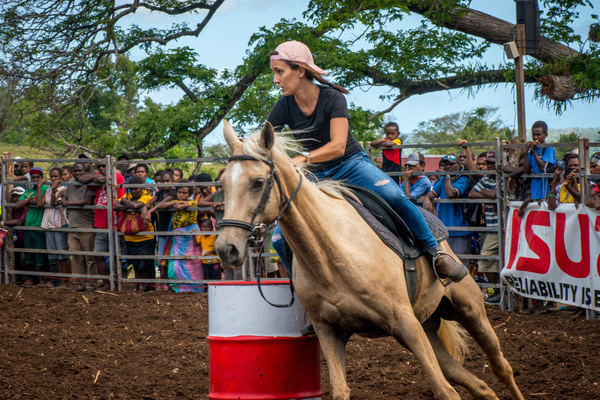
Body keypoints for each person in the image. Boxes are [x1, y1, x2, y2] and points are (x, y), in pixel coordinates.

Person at [266, 40, 467, 283]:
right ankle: (308, 291)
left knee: (395, 198)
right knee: (278, 238)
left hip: (351, 164)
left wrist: (301, 158)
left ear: (300, 70)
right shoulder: (283, 106)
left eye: (279, 72)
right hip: (314, 174)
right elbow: (264, 142)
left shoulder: (332, 98)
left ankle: (437, 254)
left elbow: (338, 145)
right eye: (274, 73)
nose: (275, 79)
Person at [79, 160, 126, 291]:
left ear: (111, 166)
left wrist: (97, 176)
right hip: (100, 223)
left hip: (116, 222)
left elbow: (101, 180)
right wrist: (96, 176)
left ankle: (116, 282)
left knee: (116, 255)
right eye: (99, 166)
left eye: (104, 166)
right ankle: (106, 283)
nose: (101, 168)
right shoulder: (98, 177)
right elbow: (82, 179)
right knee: (98, 255)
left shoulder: (118, 176)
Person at [422, 154, 472, 266]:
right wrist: (427, 198)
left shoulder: (462, 178)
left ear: (459, 165)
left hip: (460, 230)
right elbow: (434, 192)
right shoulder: (444, 179)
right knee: (446, 263)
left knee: (460, 263)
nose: (448, 166)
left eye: (451, 164)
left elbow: (451, 193)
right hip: (444, 230)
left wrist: (447, 176)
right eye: (446, 164)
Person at [160, 180, 204, 293]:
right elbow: (161, 205)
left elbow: (180, 207)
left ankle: (193, 289)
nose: (181, 195)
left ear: (189, 194)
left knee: (191, 264)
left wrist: (174, 204)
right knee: (176, 264)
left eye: (184, 193)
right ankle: (179, 289)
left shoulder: (193, 202)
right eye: (179, 192)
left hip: (189, 239)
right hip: (178, 238)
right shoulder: (175, 201)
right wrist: (172, 203)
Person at [468, 153, 501, 304]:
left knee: (488, 256)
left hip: (503, 226)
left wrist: (489, 195)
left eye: (493, 162)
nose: (490, 165)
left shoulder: (502, 177)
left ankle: (500, 292)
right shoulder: (487, 178)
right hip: (493, 226)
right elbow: (472, 193)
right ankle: (499, 293)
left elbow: (496, 194)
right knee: (490, 259)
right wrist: (490, 196)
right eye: (488, 163)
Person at [114, 176, 155, 292]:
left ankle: (147, 287)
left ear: (141, 187)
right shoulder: (129, 197)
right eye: (131, 189)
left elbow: (136, 206)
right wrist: (129, 204)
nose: (133, 191)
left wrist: (124, 202)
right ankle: (138, 287)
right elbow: (115, 206)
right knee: (135, 263)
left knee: (146, 263)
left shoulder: (147, 196)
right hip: (130, 237)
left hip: (146, 236)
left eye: (136, 189)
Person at [62, 162, 97, 292]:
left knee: (89, 258)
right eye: (75, 171)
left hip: (87, 225)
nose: (78, 173)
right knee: (75, 257)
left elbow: (87, 201)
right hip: (73, 226)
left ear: (85, 171)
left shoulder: (89, 183)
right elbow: (65, 197)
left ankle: (91, 285)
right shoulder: (71, 182)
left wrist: (68, 202)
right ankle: (81, 284)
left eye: (80, 171)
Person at [14, 167, 51, 287]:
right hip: (28, 226)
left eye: (37, 177)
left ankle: (46, 281)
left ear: (42, 178)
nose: (35, 179)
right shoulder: (28, 192)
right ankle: (35, 280)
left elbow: (39, 203)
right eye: (33, 177)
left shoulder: (46, 189)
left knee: (41, 254)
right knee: (30, 255)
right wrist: (29, 199)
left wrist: (38, 190)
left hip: (39, 226)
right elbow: (18, 205)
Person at [141, 170, 177, 286]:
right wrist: (144, 209)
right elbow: (150, 202)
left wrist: (149, 211)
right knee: (162, 256)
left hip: (172, 229)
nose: (165, 183)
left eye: (168, 181)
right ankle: (163, 281)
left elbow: (160, 204)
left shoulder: (174, 193)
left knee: (171, 255)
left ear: (172, 181)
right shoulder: (160, 192)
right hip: (162, 229)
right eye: (162, 181)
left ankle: (170, 282)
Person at [41, 167, 71, 289]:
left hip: (60, 223)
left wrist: (53, 190)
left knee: (62, 255)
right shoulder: (48, 190)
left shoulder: (63, 189)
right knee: (55, 255)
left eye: (56, 177)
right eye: (51, 176)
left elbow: (53, 203)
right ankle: (60, 281)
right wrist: (40, 188)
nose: (53, 179)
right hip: (49, 223)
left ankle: (66, 281)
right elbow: (40, 203)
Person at [523, 121, 556, 202]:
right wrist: (526, 152)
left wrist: (534, 151)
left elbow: (543, 168)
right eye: (533, 135)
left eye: (538, 135)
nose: (535, 137)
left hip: (546, 190)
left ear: (545, 135)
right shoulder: (532, 150)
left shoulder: (548, 148)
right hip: (534, 190)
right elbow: (526, 170)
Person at [196, 218, 221, 284]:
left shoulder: (214, 235)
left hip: (215, 261)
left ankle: (216, 291)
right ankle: (207, 291)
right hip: (205, 262)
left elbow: (217, 247)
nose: (206, 228)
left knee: (215, 277)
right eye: (203, 227)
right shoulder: (201, 235)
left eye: (208, 226)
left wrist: (209, 252)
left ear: (212, 227)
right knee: (207, 277)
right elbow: (196, 244)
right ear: (201, 228)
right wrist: (193, 235)